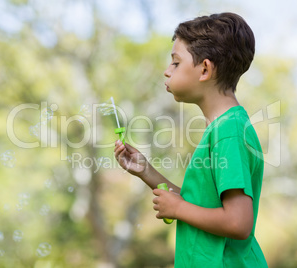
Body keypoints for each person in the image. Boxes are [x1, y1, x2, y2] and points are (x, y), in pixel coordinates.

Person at [114, 12, 268, 267]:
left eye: (175, 63)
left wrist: (177, 210)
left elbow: (238, 223)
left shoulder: (228, 132)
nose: (167, 71)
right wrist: (146, 171)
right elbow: (199, 204)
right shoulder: (223, 128)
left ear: (205, 69)